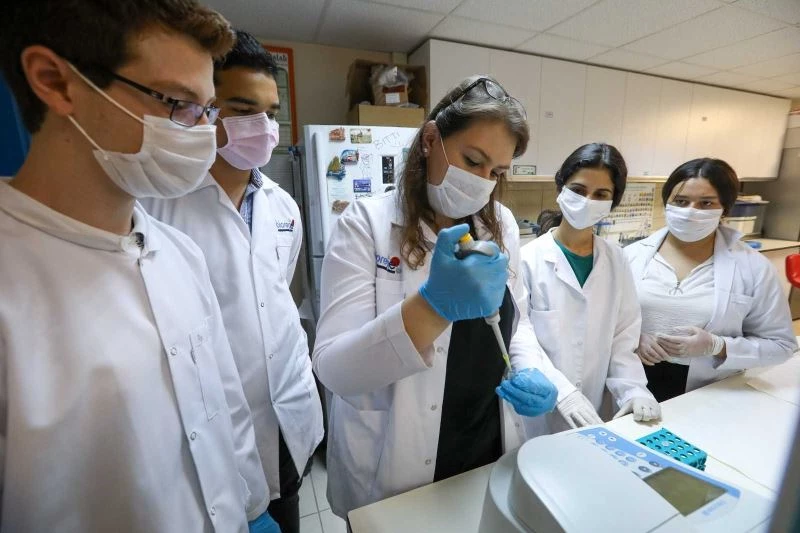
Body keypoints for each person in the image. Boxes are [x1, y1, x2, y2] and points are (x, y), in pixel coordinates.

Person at [0, 2, 278, 532]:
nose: (203, 133)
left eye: (207, 109)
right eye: (178, 104)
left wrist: (249, 509)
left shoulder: (178, 253)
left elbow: (222, 406)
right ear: (56, 81)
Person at [312, 75, 559, 519]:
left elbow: (516, 321)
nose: (482, 182)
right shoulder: (365, 225)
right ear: (430, 141)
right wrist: (432, 307)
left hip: (485, 440)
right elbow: (333, 369)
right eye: (473, 160)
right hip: (396, 461)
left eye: (496, 172)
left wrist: (529, 369)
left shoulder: (500, 224)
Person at [143, 30, 323, 533]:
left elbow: (276, 298)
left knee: (287, 512)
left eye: (270, 113)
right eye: (244, 110)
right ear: (206, 110)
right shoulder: (158, 208)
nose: (262, 127)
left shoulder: (284, 208)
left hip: (289, 417)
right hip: (212, 429)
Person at [625, 158, 798, 401]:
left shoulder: (753, 267)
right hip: (631, 380)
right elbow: (606, 322)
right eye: (681, 201)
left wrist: (718, 346)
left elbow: (781, 346)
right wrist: (633, 339)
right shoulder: (630, 256)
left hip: (709, 388)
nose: (691, 211)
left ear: (725, 209)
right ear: (667, 203)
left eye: (706, 203)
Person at [520, 143, 661, 437]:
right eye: (579, 190)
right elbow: (522, 341)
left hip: (598, 406)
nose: (587, 201)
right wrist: (563, 393)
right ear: (561, 188)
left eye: (601, 194)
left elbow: (623, 337)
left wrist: (633, 389)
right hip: (541, 405)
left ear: (612, 202)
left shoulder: (616, 259)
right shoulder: (527, 260)